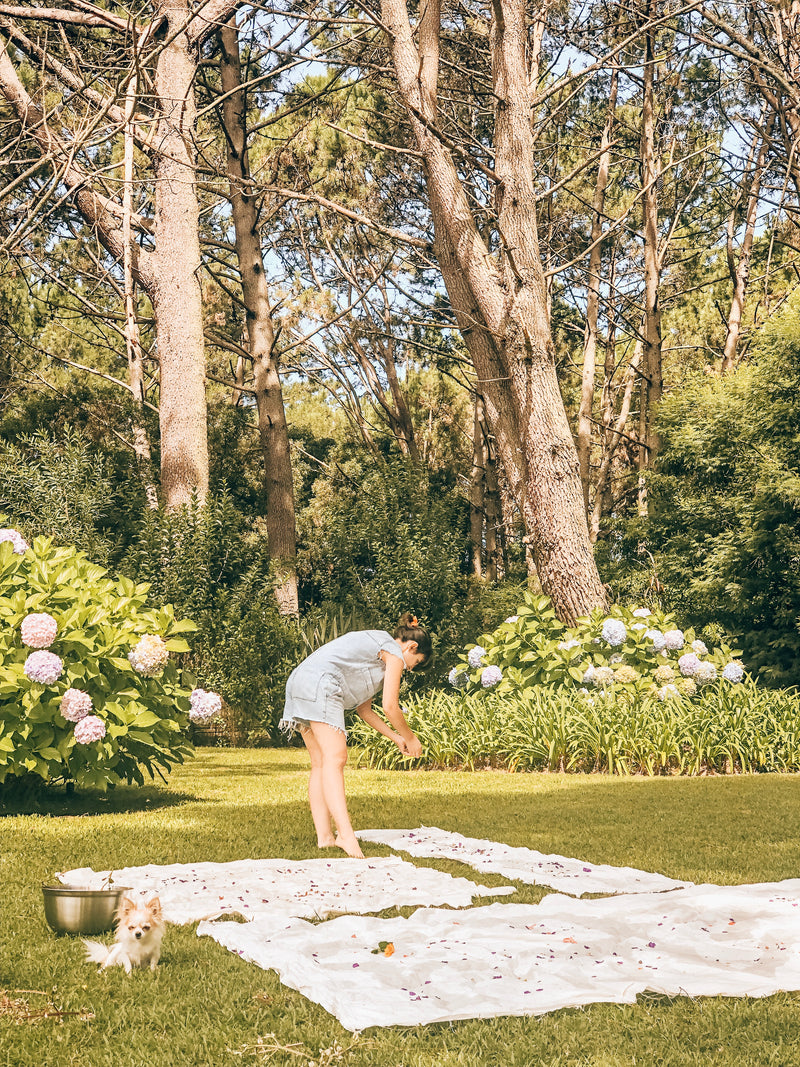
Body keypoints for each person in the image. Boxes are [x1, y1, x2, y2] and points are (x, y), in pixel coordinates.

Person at [280, 612, 432, 858]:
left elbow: (365, 710)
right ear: (411, 646)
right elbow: (390, 707)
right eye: (412, 663)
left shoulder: (376, 650)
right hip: (321, 683)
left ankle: (325, 837)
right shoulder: (392, 652)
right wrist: (412, 738)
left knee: (320, 762)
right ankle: (345, 835)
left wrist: (397, 738)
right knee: (336, 758)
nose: (406, 668)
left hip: (300, 681)